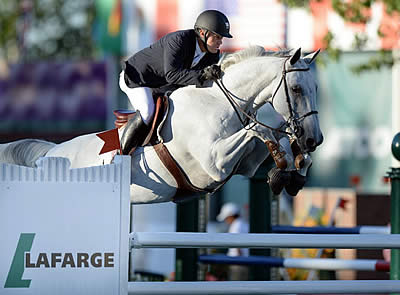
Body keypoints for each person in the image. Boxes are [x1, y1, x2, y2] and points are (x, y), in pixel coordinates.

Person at [119, 10, 232, 155]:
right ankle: (121, 156)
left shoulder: (212, 54)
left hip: (162, 86)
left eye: (221, 38)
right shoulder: (179, 40)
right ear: (203, 33)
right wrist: (203, 75)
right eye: (217, 37)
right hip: (137, 78)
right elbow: (172, 75)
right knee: (147, 112)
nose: (220, 42)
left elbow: (200, 83)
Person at [217, 202, 249, 280]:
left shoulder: (236, 226)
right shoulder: (242, 224)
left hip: (237, 263)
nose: (226, 221)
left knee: (236, 286)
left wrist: (238, 260)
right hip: (242, 262)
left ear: (230, 216)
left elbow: (237, 246)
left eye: (226, 218)